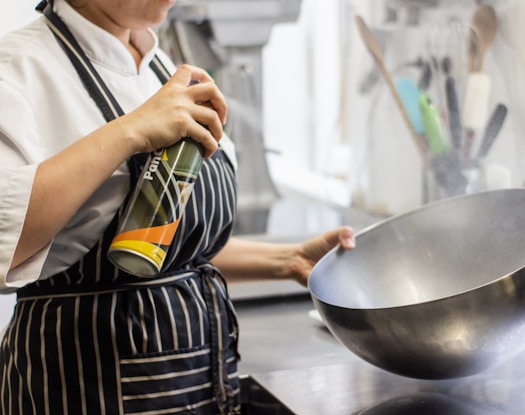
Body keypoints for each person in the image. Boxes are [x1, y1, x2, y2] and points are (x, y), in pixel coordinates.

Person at [0, 0, 355, 413]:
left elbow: (156, 240)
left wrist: (286, 259)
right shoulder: (17, 70)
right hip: (82, 387)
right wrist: (131, 131)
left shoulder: (159, 67)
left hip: (197, 384)